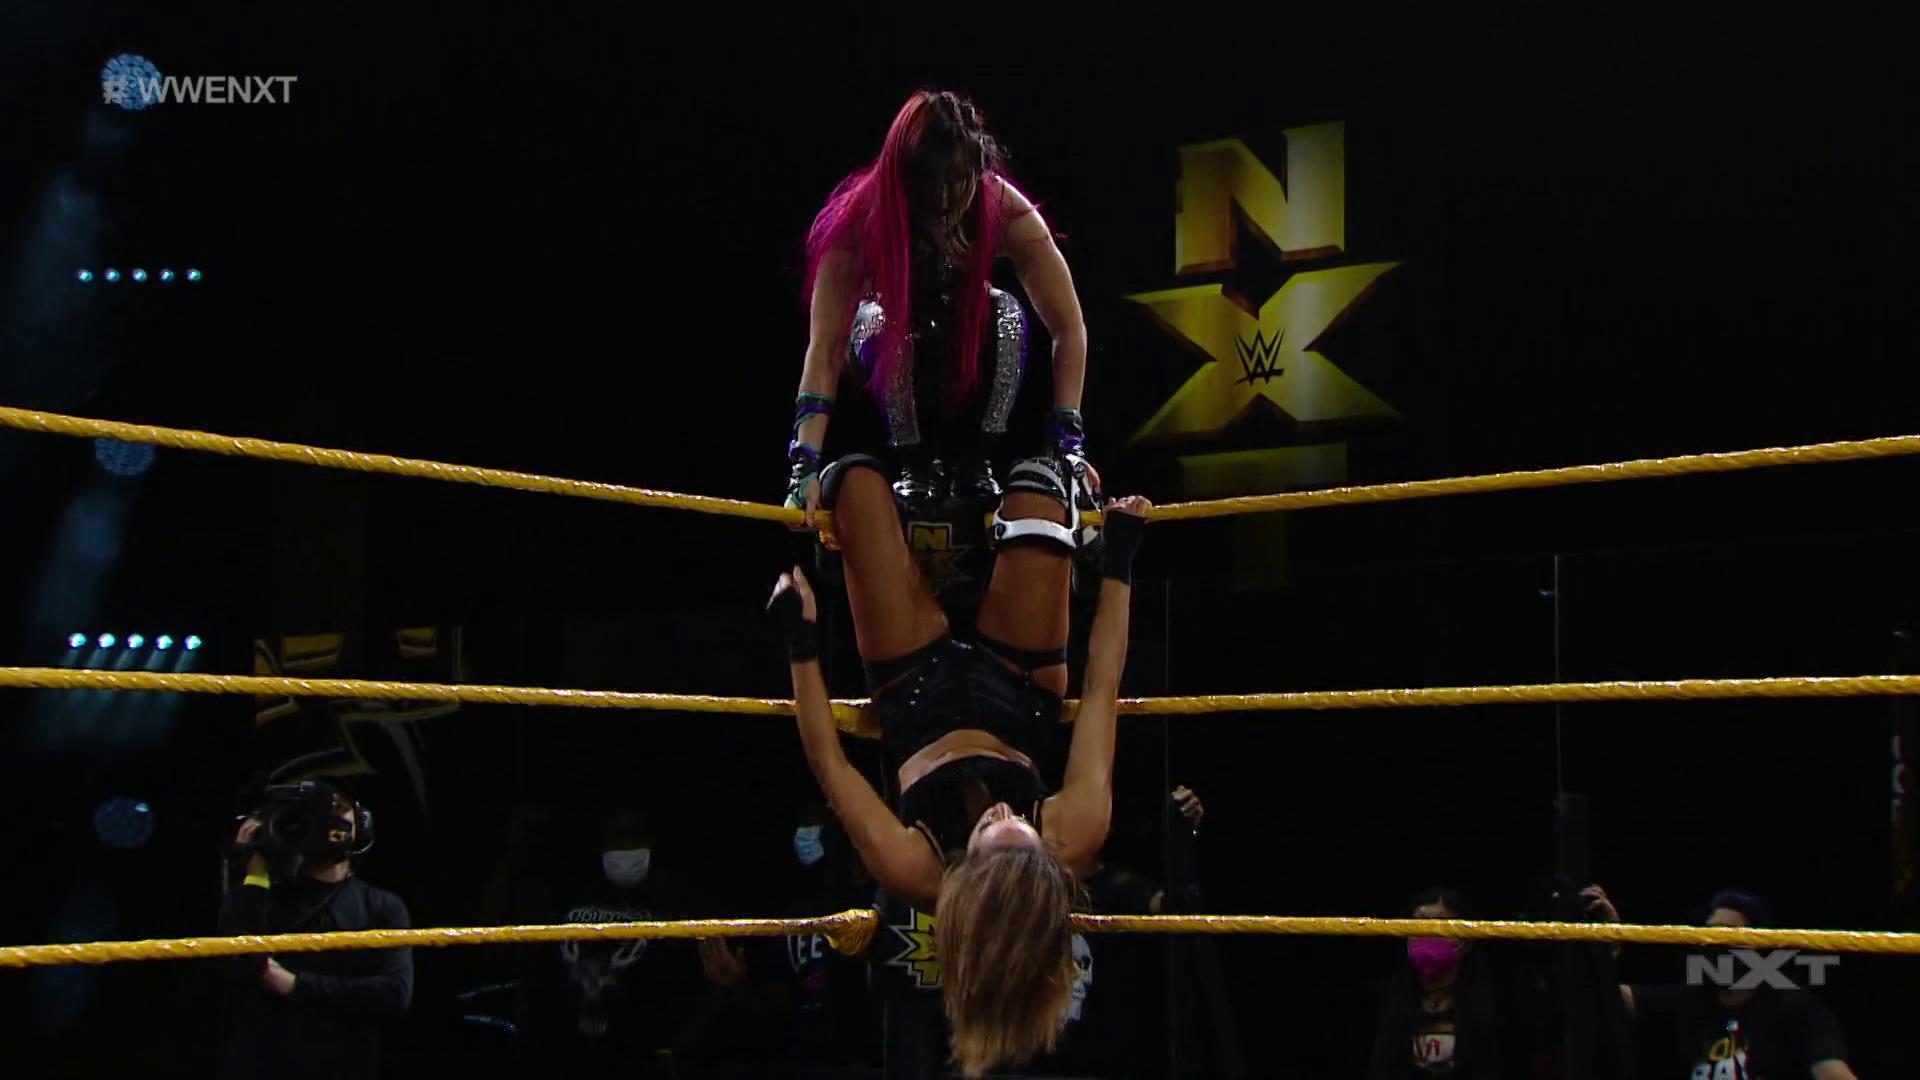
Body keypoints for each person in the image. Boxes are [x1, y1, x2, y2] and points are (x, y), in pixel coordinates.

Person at [767, 456, 1151, 1078]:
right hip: (1018, 685)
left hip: (914, 691)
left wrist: (801, 642)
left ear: (962, 870)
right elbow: (1103, 686)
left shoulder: (911, 865)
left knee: (853, 482)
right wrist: (1121, 563)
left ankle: (857, 558)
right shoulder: (1075, 828)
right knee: (1039, 487)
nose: (999, 810)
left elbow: (828, 761)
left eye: (987, 829)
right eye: (1016, 824)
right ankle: (1072, 550)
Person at [784, 88, 1092, 526]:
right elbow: (826, 347)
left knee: (1005, 312)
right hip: (890, 347)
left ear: (978, 171)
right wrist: (805, 465)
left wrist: (1068, 446)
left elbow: (1069, 327)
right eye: (930, 182)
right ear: (905, 178)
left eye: (958, 179)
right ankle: (915, 462)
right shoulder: (859, 222)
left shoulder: (1004, 209)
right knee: (876, 321)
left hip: (967, 362)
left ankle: (975, 462)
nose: (945, 198)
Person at [214, 779, 413, 1080]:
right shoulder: (262, 895)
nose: (327, 823)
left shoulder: (381, 906)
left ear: (360, 826)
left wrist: (297, 985)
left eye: (337, 810)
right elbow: (234, 966)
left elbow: (393, 995)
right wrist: (254, 873)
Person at [1588, 885, 1859, 1079]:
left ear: (1757, 946)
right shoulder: (1692, 1001)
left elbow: (1832, 1072)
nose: (1714, 944)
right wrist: (1604, 945)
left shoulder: (1795, 1008)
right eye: (1709, 934)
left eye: (1727, 935)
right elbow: (1607, 997)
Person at [516, 809, 697, 1079]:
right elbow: (542, 974)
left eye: (635, 838)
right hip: (566, 1051)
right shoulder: (573, 894)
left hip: (637, 1054)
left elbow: (678, 987)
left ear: (652, 843)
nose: (626, 849)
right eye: (617, 838)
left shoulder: (674, 904)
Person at [1367, 888, 1520, 1079]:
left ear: (1466, 941)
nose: (1429, 934)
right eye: (1420, 924)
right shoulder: (1392, 998)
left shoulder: (1493, 1003)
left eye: (1441, 925)